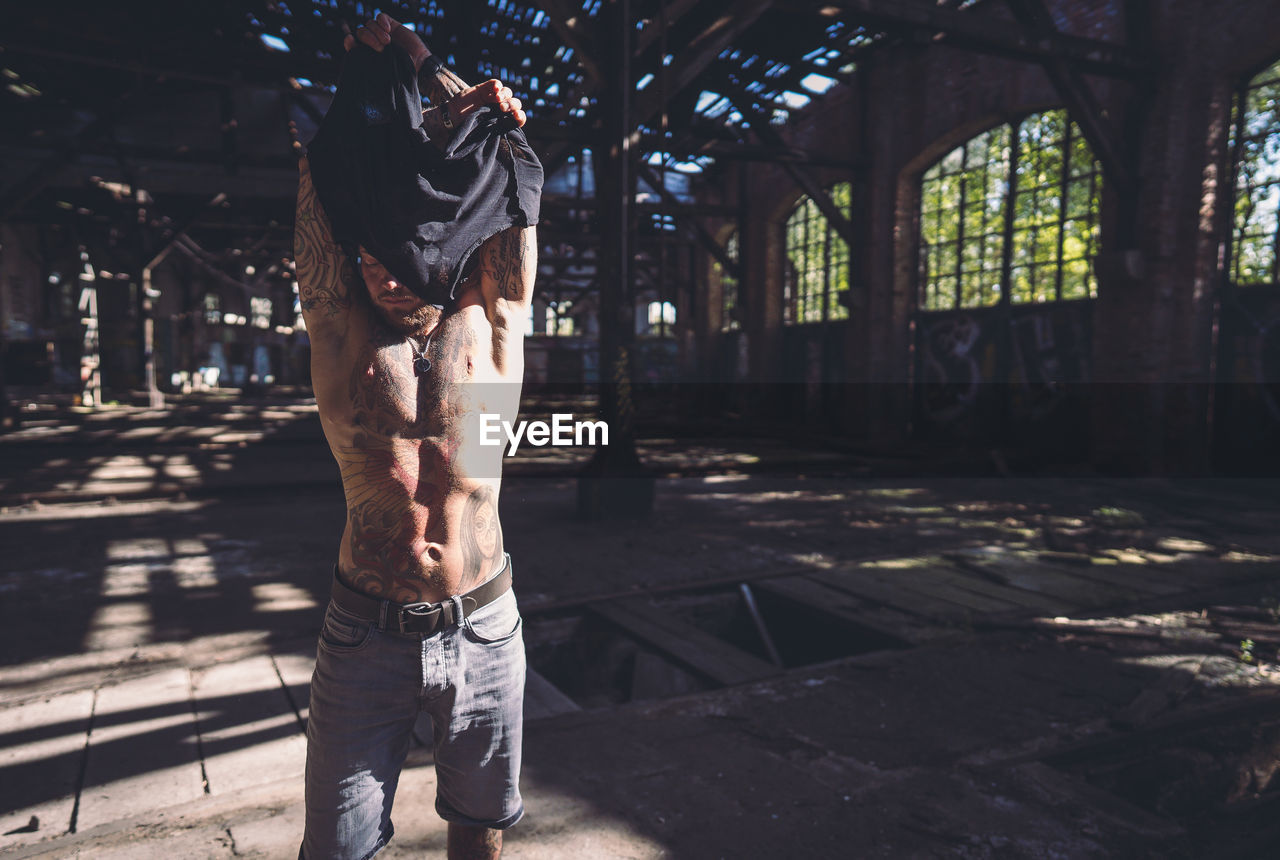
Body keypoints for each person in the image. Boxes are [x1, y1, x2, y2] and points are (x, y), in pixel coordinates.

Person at [292, 13, 538, 860]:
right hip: (364, 635)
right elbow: (325, 193)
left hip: (486, 625)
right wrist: (362, 91)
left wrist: (433, 69)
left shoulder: (493, 333)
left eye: (404, 259)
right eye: (371, 261)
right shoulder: (343, 342)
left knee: (480, 833)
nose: (385, 276)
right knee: (337, 848)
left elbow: (511, 186)